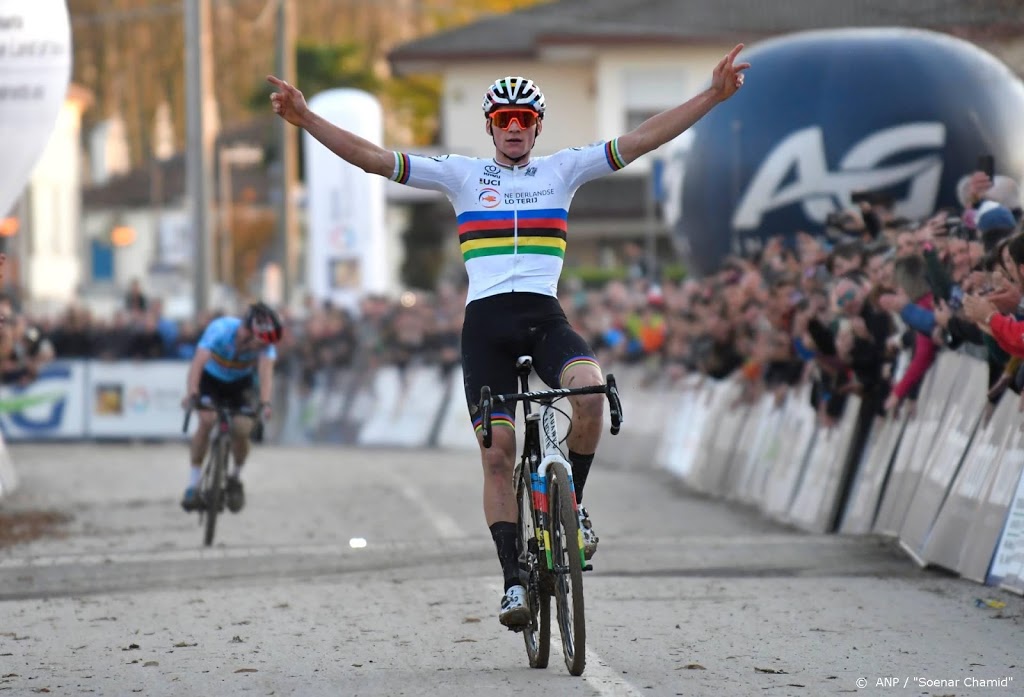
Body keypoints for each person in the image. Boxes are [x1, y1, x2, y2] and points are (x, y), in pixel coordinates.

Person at [268, 44, 749, 628]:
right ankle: (513, 582)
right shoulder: (462, 175)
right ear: (491, 126)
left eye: (525, 120)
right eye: (504, 120)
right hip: (486, 328)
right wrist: (305, 119)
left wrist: (712, 95)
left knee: (591, 394)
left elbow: (644, 138)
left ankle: (574, 508)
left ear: (537, 127)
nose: (515, 129)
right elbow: (373, 158)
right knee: (498, 456)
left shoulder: (563, 169)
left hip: (544, 318)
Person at [180, 302, 282, 514]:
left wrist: (265, 403)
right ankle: (193, 484)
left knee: (242, 429)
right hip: (210, 380)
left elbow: (265, 374)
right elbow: (197, 364)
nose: (263, 347)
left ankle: (235, 477)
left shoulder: (266, 344)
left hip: (239, 385)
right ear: (247, 331)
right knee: (207, 421)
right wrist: (192, 393)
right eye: (259, 343)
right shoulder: (220, 329)